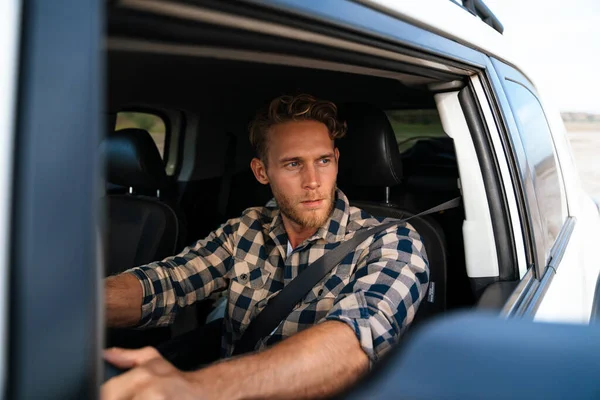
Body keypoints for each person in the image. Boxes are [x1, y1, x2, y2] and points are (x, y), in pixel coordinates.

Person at [102, 94, 429, 399]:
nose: (313, 180)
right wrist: (78, 305)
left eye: (323, 161)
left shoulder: (391, 242)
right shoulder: (247, 228)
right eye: (293, 164)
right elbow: (166, 283)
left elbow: (353, 345)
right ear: (261, 172)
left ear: (337, 160)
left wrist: (196, 387)